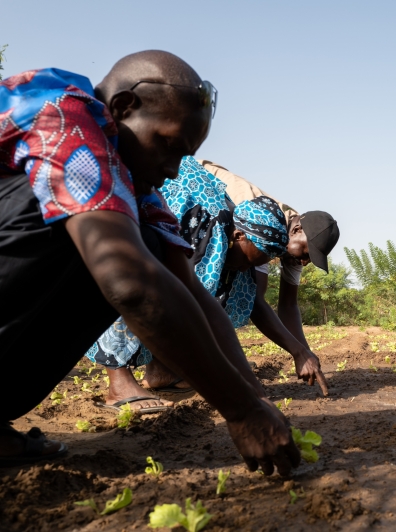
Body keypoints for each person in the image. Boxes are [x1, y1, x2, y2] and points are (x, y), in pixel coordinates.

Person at [0, 52, 299, 474]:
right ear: (122, 108)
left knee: (144, 244)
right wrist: (241, 411)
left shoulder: (132, 182)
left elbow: (191, 292)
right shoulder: (65, 118)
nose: (174, 170)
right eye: (169, 145)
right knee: (96, 235)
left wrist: (254, 396)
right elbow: (130, 285)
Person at [86, 156, 331, 412]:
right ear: (237, 236)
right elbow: (195, 296)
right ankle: (120, 383)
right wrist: (246, 390)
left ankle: (161, 370)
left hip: (211, 231)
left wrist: (301, 352)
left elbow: (255, 303)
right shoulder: (218, 220)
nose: (303, 262)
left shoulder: (266, 238)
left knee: (230, 293)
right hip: (155, 211)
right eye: (250, 262)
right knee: (146, 278)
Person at [199, 159, 340, 356]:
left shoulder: (294, 250)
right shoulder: (260, 223)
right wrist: (299, 354)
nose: (304, 262)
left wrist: (305, 353)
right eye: (307, 255)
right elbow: (256, 301)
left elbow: (288, 305)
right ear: (296, 230)